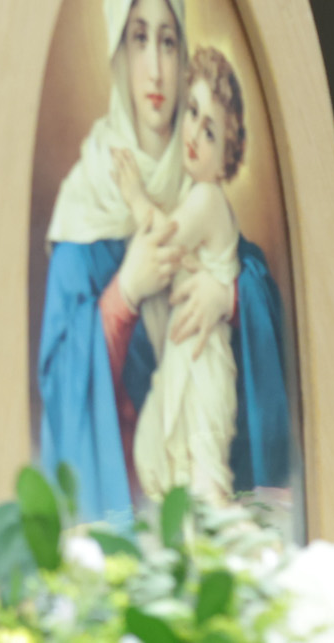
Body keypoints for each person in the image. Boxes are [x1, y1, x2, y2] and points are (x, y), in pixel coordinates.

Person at [37, 0, 292, 514]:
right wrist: (124, 294)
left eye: (169, 41)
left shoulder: (201, 186)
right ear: (116, 51)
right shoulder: (85, 203)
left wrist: (229, 297)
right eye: (138, 38)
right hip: (122, 511)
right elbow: (57, 380)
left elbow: (262, 297)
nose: (155, 68)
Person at [116, 45, 250, 508]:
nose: (193, 133)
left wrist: (136, 198)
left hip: (203, 362)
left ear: (226, 156)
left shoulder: (208, 200)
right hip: (185, 356)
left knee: (206, 485)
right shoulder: (196, 194)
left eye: (210, 132)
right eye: (192, 112)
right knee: (167, 470)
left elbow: (165, 242)